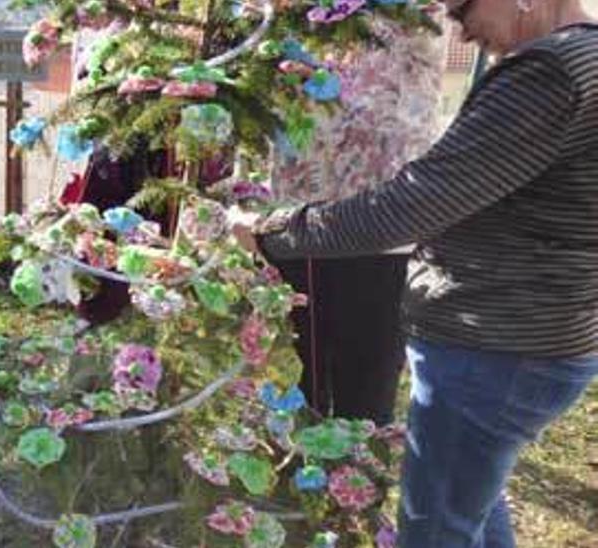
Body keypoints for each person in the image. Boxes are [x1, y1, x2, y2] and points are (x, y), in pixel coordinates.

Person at [235, 0, 598, 544]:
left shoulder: (550, 74)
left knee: (436, 531)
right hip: (544, 339)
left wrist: (273, 234)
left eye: (463, 5)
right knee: (469, 504)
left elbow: (409, 206)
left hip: (494, 348)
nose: (458, 25)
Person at [266, 18, 445, 425]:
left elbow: (390, 120)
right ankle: (292, 474)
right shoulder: (287, 19)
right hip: (292, 219)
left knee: (364, 385)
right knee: (292, 375)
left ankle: (357, 475)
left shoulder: (411, 17)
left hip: (380, 226)